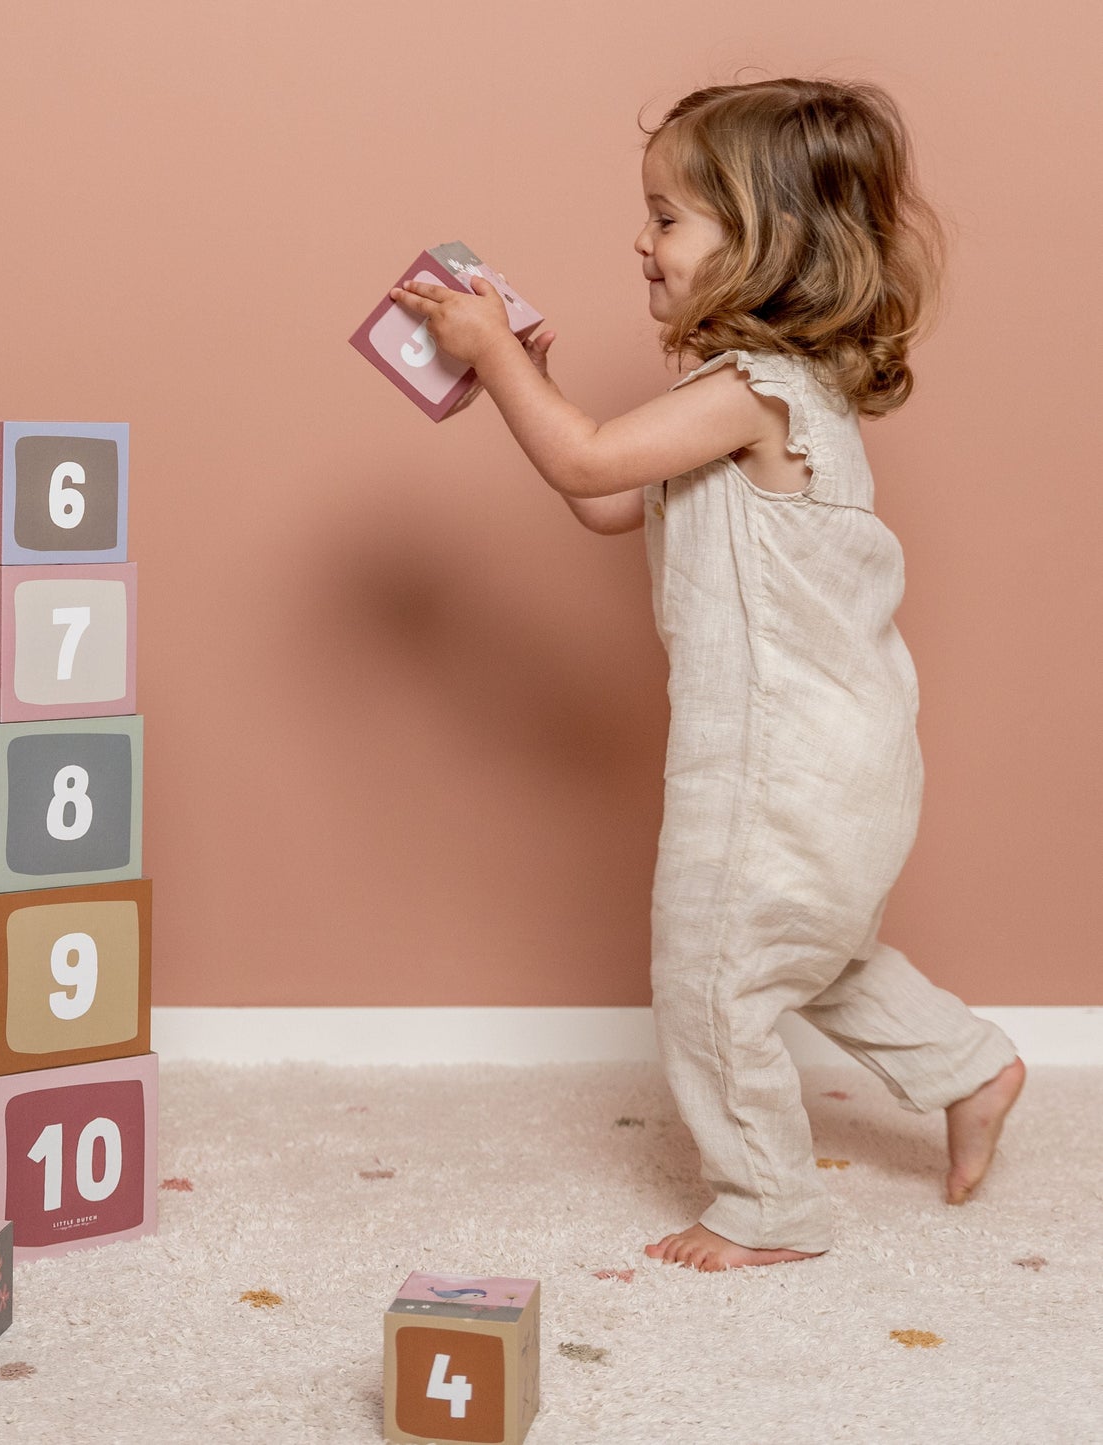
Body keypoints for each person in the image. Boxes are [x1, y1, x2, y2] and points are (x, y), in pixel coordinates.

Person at [388, 76, 1025, 1271]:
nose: (641, 239)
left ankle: (765, 1203)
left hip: (777, 758)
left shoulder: (749, 394)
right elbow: (606, 502)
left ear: (766, 245)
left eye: (668, 216)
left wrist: (501, 366)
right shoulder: (759, 396)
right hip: (847, 753)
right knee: (812, 954)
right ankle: (968, 1065)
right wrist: (516, 382)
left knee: (708, 972)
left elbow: (581, 466)